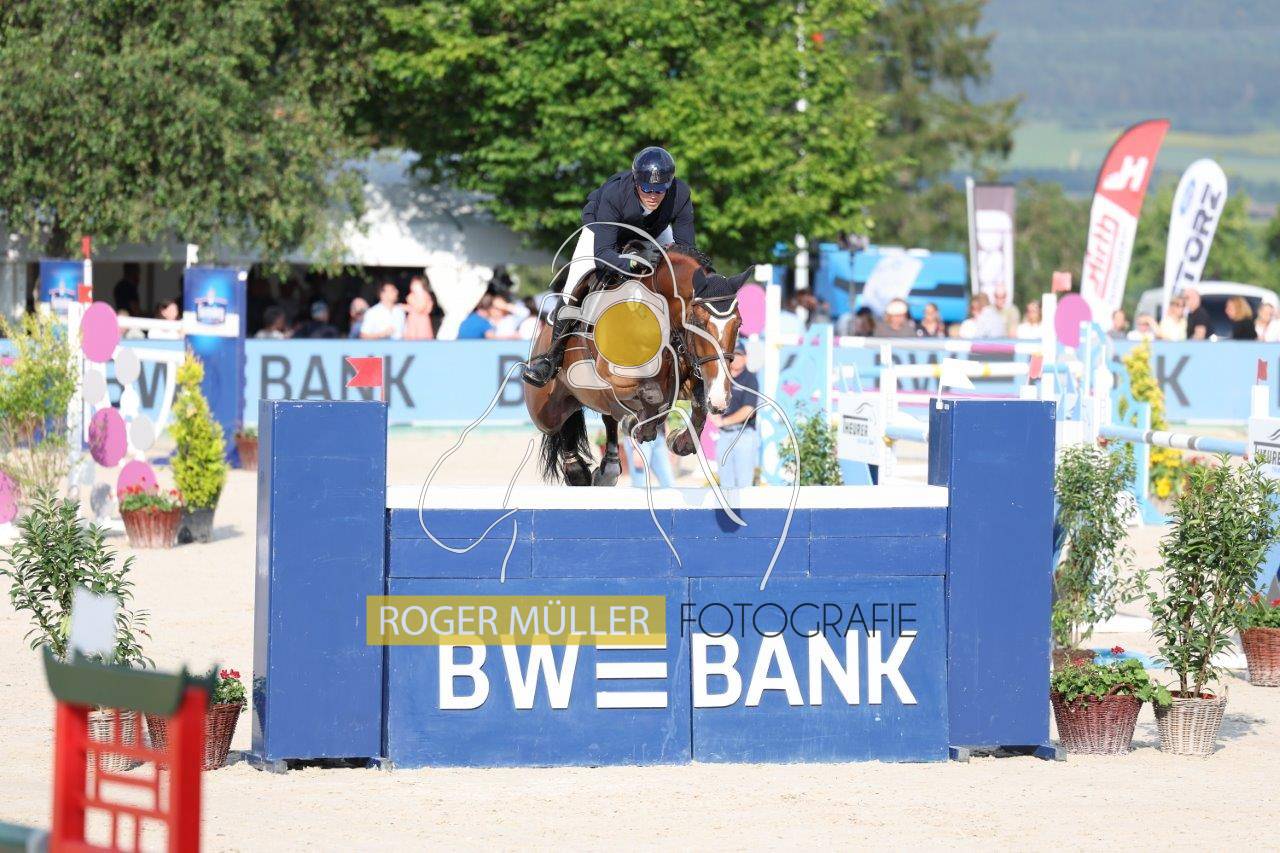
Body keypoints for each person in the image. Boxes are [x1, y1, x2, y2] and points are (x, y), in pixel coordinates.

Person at [523, 146, 695, 387]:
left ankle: (691, 363)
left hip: (651, 231)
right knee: (573, 285)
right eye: (646, 189)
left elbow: (687, 251)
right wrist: (635, 262)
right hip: (602, 230)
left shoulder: (680, 193)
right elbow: (603, 254)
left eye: (660, 190)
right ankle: (551, 359)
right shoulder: (615, 194)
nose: (653, 196)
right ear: (636, 182)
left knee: (680, 281)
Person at [711, 342, 759, 489]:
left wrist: (723, 422)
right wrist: (712, 414)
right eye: (733, 355)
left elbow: (748, 410)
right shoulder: (721, 378)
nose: (735, 358)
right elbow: (710, 399)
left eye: (739, 355)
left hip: (743, 435)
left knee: (744, 485)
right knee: (726, 485)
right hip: (724, 436)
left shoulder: (750, 379)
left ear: (745, 358)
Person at [402, 276, 436, 341]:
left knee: (421, 337)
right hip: (412, 320)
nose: (413, 286)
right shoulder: (412, 295)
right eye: (412, 284)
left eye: (416, 285)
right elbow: (412, 308)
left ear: (423, 286)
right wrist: (403, 307)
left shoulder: (424, 295)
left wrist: (411, 301)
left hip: (421, 322)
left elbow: (420, 308)